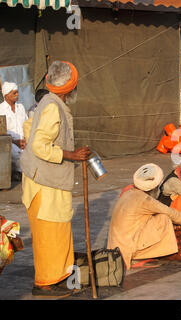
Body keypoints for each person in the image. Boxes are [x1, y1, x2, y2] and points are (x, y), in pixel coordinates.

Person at [20, 61, 91, 297]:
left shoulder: (50, 103)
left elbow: (29, 128)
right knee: (49, 236)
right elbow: (39, 144)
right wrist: (71, 154)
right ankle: (44, 283)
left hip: (50, 181)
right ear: (70, 88)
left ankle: (58, 277)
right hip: (44, 183)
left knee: (59, 231)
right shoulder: (52, 107)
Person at [107, 163, 181, 269]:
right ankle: (138, 257)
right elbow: (171, 213)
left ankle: (143, 254)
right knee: (164, 218)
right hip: (128, 248)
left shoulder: (128, 192)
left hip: (117, 245)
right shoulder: (144, 199)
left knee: (159, 217)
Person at [0, 82, 28, 181]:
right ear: (6, 95)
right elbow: (2, 132)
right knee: (18, 156)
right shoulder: (1, 109)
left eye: (17, 93)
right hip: (9, 143)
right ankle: (18, 173)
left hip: (23, 141)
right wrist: (15, 142)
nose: (17, 95)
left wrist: (26, 139)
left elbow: (26, 125)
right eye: (14, 93)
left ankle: (19, 173)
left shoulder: (21, 107)